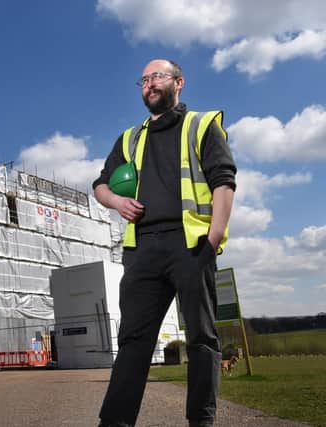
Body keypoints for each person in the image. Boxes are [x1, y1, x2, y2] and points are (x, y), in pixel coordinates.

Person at [92, 59, 236, 427]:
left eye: (157, 76)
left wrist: (214, 234)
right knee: (133, 342)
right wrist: (117, 202)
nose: (149, 84)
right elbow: (101, 185)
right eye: (143, 79)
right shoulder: (129, 138)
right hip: (142, 250)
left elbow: (223, 180)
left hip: (190, 245)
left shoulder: (201, 126)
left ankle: (200, 422)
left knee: (202, 338)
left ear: (179, 82)